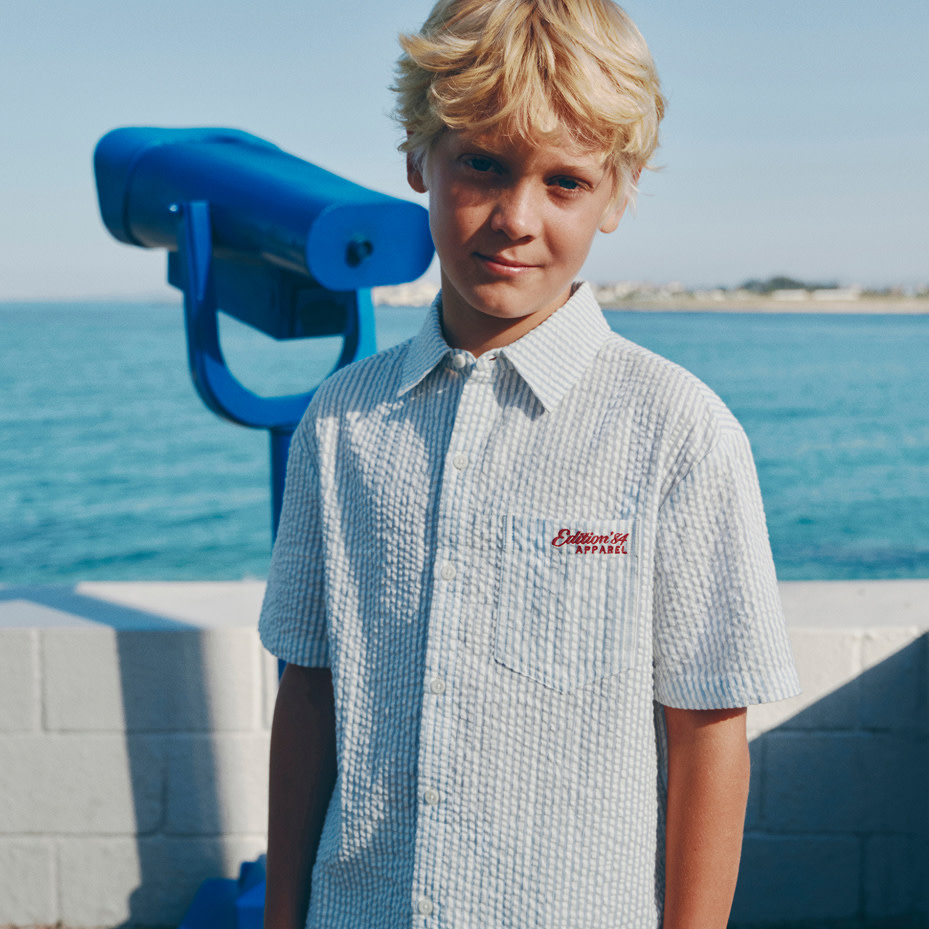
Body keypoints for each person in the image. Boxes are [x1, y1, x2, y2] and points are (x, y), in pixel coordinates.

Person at [259, 0, 801, 926]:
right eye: (482, 164)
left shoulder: (678, 432)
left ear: (617, 195)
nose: (514, 217)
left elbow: (709, 729)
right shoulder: (343, 421)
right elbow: (309, 690)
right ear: (417, 154)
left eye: (564, 183)